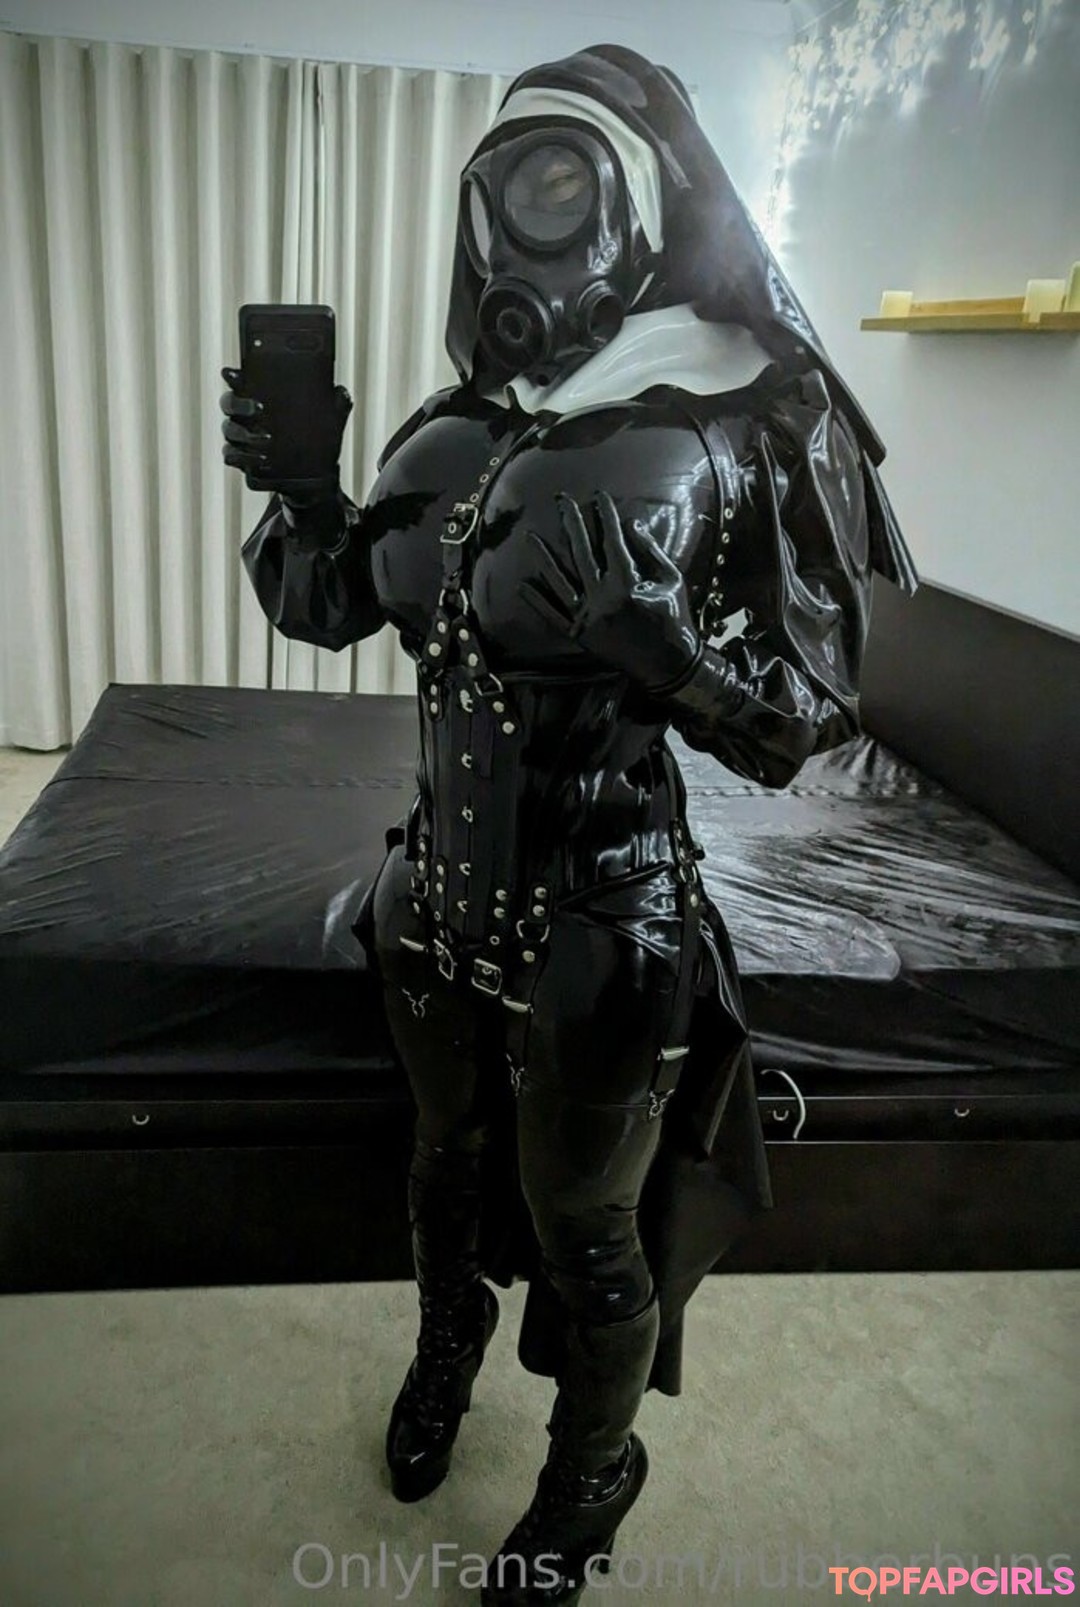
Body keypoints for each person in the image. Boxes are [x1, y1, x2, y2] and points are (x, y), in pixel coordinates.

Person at [221, 43, 916, 1606]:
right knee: (441, 1166)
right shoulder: (447, 429)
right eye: (502, 188)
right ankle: (447, 1344)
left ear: (642, 198)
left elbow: (810, 719)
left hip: (609, 922)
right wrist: (303, 492)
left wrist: (666, 654)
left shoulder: (740, 425)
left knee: (588, 1227)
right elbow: (327, 604)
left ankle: (593, 1472)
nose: (524, 219)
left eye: (561, 174)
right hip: (432, 896)